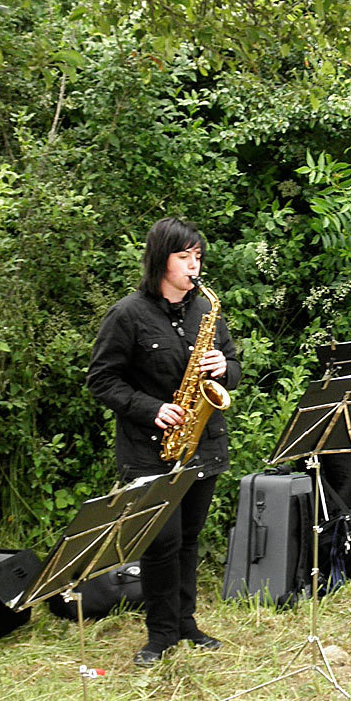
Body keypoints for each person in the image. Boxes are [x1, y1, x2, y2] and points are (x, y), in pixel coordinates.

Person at [88, 217, 241, 666]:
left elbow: (234, 367)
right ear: (160, 259)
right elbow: (102, 381)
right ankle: (160, 635)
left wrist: (224, 367)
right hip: (149, 450)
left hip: (203, 444)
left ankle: (186, 624)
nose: (195, 265)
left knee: (189, 538)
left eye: (198, 256)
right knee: (161, 542)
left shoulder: (206, 310)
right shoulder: (127, 314)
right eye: (184, 256)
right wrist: (151, 408)